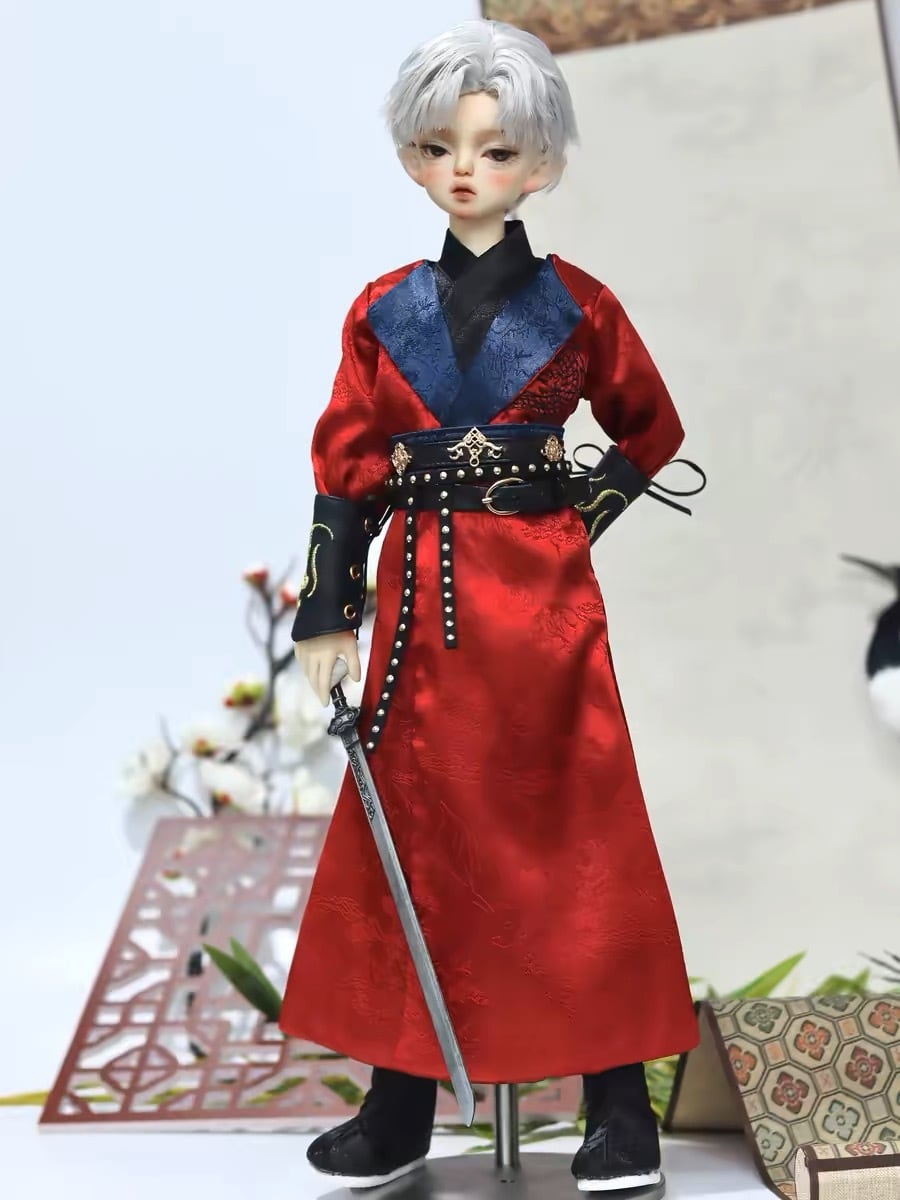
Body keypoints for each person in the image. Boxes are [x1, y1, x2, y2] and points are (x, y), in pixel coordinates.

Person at [280, 18, 699, 1194]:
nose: (467, 169)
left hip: (545, 614)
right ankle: (400, 1107)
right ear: (412, 158)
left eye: (498, 150)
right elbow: (345, 466)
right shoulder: (380, 311)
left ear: (541, 164)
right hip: (419, 609)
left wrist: (571, 517)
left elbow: (651, 428)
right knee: (415, 839)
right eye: (441, 146)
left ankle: (619, 1105)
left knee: (582, 836)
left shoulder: (580, 306)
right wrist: (328, 610)